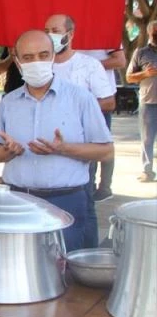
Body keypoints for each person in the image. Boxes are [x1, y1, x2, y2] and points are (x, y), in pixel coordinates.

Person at [0, 30, 113, 317]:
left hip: (67, 199)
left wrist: (64, 148)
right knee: (18, 281)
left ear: (54, 55)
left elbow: (105, 149)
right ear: (16, 59)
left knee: (67, 281)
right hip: (20, 201)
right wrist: (8, 151)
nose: (36, 63)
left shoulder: (79, 97)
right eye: (28, 58)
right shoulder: (10, 102)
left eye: (43, 55)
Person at [45, 14, 115, 248]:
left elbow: (108, 102)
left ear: (70, 34)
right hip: (45, 147)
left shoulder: (88, 65)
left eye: (55, 30)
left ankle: (87, 256)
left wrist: (72, 109)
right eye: (46, 30)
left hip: (80, 147)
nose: (50, 35)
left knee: (83, 202)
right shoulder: (42, 66)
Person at [78, 43, 125, 200]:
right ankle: (88, 188)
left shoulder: (107, 35)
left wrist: (88, 66)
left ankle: (104, 186)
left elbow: (120, 60)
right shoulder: (67, 35)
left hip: (101, 98)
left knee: (102, 144)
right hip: (76, 98)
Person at [126, 20, 157, 182]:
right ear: (150, 32)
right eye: (155, 32)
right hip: (149, 102)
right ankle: (147, 170)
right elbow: (129, 77)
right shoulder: (141, 52)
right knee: (147, 139)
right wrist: (145, 74)